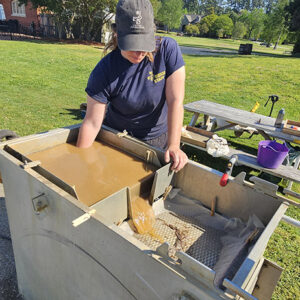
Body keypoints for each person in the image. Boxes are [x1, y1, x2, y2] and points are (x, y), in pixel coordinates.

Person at [77, 0, 187, 172]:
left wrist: (174, 144)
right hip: (118, 139)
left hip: (158, 138)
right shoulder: (104, 71)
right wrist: (80, 163)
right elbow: (91, 123)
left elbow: (175, 101)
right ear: (117, 35)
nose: (140, 52)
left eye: (144, 44)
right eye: (133, 44)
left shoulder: (167, 49)